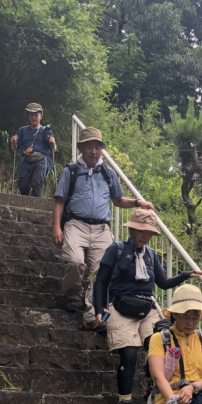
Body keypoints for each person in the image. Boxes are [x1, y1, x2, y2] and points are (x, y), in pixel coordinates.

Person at [92, 208, 202, 404]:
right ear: (133, 229)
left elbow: (162, 283)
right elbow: (101, 281)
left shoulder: (150, 255)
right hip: (120, 306)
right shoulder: (115, 250)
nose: (146, 236)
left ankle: (153, 387)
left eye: (150, 233)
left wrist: (185, 275)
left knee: (163, 343)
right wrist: (99, 309)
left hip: (146, 308)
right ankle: (125, 403)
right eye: (142, 231)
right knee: (129, 353)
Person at [53, 127, 155, 330]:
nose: (93, 151)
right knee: (74, 261)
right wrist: (56, 227)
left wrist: (137, 202)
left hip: (101, 228)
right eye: (89, 147)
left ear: (101, 149)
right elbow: (59, 200)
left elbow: (117, 200)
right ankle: (73, 295)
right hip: (76, 224)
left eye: (97, 147)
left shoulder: (108, 173)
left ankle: (93, 316)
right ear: (81, 148)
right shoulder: (71, 171)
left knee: (101, 271)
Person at [10, 103, 56, 198]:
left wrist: (52, 142)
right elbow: (14, 149)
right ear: (28, 116)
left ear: (41, 116)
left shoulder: (46, 130)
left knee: (36, 183)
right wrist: (13, 142)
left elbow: (54, 149)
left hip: (41, 160)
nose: (33, 117)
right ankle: (25, 207)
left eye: (36, 114)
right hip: (26, 159)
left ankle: (37, 206)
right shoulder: (22, 130)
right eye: (31, 114)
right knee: (23, 186)